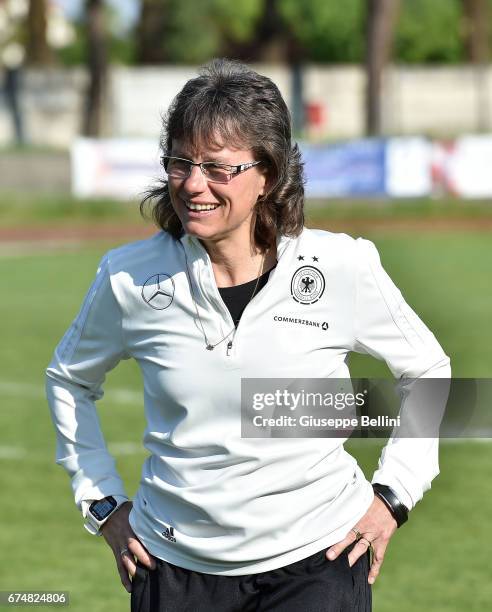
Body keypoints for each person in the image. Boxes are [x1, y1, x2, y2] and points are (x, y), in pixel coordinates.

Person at [46, 59, 451, 612]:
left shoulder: (341, 265)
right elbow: (68, 380)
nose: (193, 185)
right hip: (173, 568)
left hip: (319, 562)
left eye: (218, 168)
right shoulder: (127, 277)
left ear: (269, 174)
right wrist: (102, 503)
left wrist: (393, 495)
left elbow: (428, 370)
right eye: (180, 162)